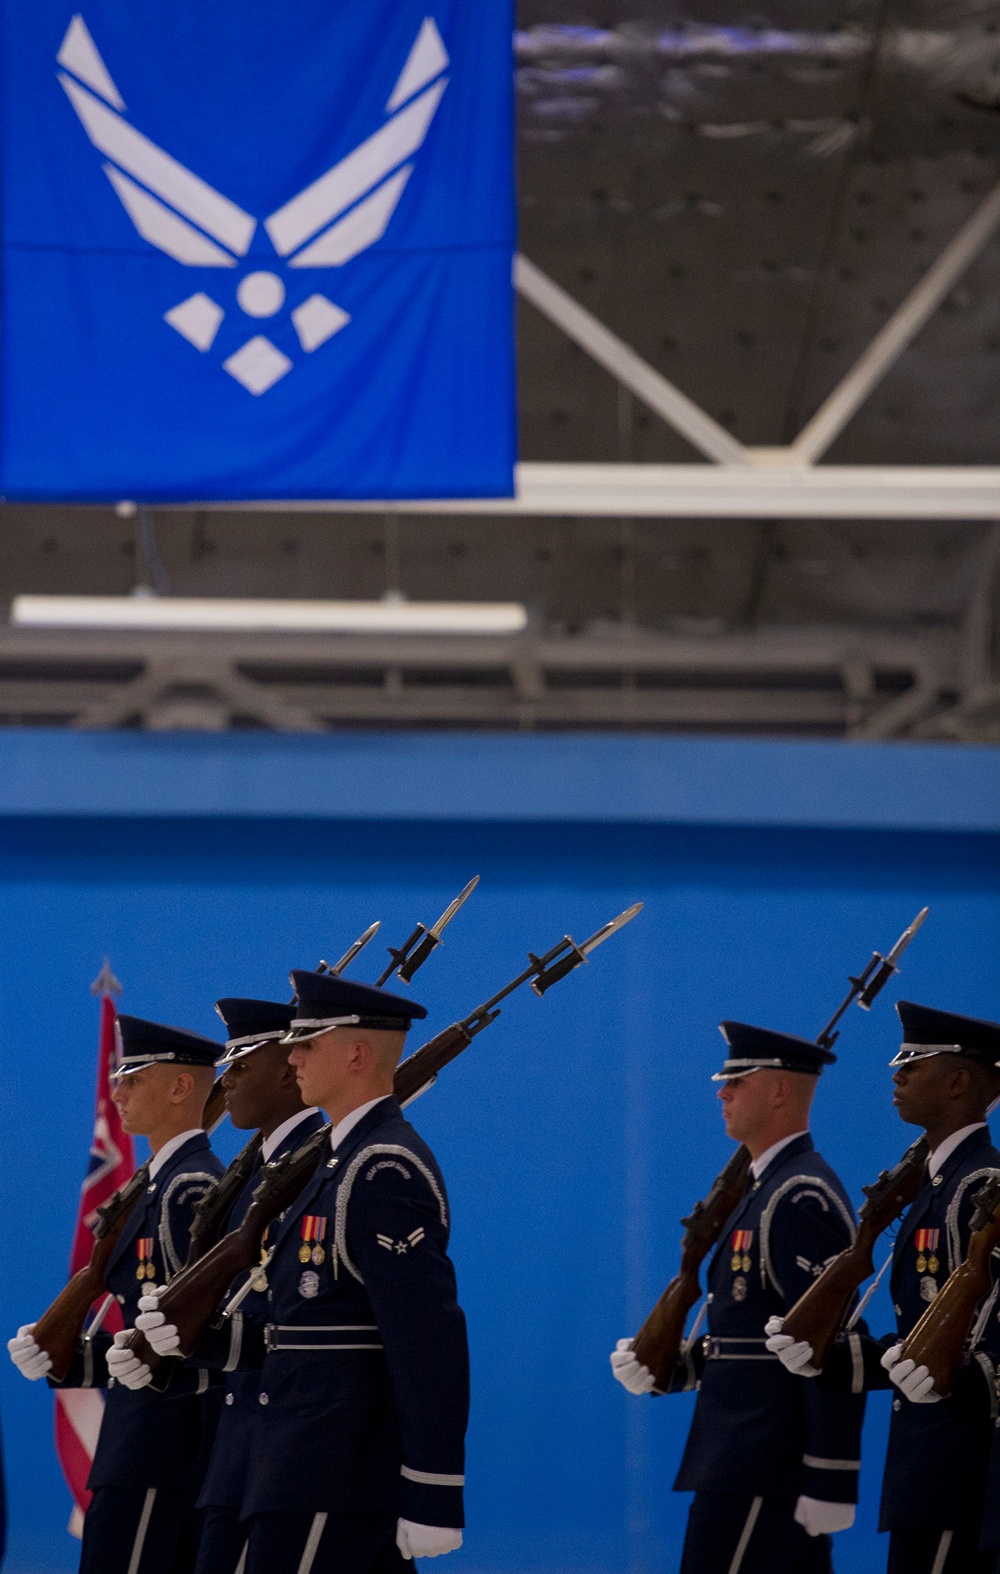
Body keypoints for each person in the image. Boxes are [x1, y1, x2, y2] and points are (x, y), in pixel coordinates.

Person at [136, 970, 469, 1574]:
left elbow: (426, 1341)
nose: (292, 1057)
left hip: (331, 1468)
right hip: (293, 1462)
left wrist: (433, 1487)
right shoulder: (332, 1165)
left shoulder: (381, 1168)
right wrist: (192, 1339)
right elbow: (295, 1325)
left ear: (358, 1055)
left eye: (308, 1043)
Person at [610, 1021, 865, 1574]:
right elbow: (749, 1333)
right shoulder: (762, 1190)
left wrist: (831, 1473)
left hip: (761, 1460)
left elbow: (829, 1342)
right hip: (739, 1455)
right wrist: (674, 1366)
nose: (722, 1093)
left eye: (738, 1080)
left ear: (780, 1091)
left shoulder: (798, 1195)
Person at [767, 1001, 1000, 1574]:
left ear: (959, 1082)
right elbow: (916, 1339)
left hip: (963, 1467)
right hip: (922, 1468)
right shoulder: (934, 1184)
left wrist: (971, 1381)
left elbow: (983, 1337)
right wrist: (832, 1356)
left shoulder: (980, 1186)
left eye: (914, 1064)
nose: (897, 1076)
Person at [8, 1015, 225, 1574]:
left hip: (164, 1447)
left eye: (134, 1078)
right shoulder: (154, 1183)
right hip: (134, 1442)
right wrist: (70, 1357)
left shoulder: (189, 1187)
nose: (118, 1092)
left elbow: (187, 1336)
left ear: (181, 1088)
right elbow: (142, 1336)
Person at [191, 998, 327, 1574]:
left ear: (288, 1071)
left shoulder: (318, 1166)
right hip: (242, 1441)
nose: (226, 1080)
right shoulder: (258, 1169)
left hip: (297, 1445)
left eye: (243, 1065)